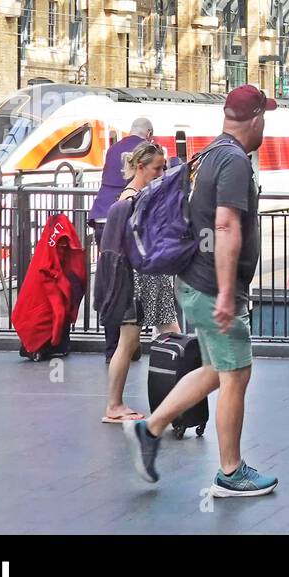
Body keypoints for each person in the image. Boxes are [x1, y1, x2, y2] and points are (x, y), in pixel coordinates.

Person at [123, 84, 278, 497]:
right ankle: (231, 472)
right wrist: (226, 292)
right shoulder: (235, 162)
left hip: (195, 280)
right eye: (266, 118)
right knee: (236, 373)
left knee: (214, 370)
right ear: (256, 120)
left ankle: (149, 430)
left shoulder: (212, 153)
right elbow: (225, 225)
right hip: (213, 286)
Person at [104, 142, 179, 423]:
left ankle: (178, 403)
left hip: (151, 275)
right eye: (157, 168)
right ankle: (114, 406)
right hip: (136, 278)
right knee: (129, 341)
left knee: (172, 332)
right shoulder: (129, 200)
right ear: (140, 167)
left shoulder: (141, 197)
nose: (160, 173)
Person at [90, 117, 154, 363]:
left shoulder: (113, 149)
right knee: (130, 286)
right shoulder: (146, 150)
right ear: (149, 133)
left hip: (102, 219)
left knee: (112, 282)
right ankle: (126, 346)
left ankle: (114, 348)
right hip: (125, 222)